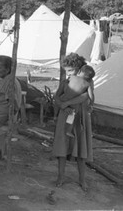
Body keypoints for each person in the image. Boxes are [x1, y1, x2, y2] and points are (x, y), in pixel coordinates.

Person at [52, 53, 93, 192]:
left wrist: (67, 103)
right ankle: (60, 177)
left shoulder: (87, 82)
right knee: (62, 147)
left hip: (81, 117)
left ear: (79, 69)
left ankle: (82, 180)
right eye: (66, 71)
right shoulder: (66, 82)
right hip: (66, 116)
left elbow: (86, 96)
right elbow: (56, 97)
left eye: (70, 70)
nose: (68, 73)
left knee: (81, 148)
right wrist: (63, 106)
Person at [58, 65, 95, 137]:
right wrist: (91, 104)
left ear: (80, 71)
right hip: (74, 103)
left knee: (67, 114)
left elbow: (66, 82)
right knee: (72, 116)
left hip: (63, 98)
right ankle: (69, 130)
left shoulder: (72, 78)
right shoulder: (87, 84)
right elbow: (91, 95)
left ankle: (55, 116)